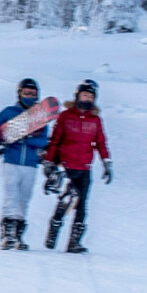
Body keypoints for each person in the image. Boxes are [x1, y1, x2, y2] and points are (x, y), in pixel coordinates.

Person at [43, 79, 112, 252]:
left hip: (85, 168)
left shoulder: (95, 120)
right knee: (67, 198)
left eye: (90, 96)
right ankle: (53, 231)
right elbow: (55, 140)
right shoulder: (66, 116)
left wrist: (106, 162)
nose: (87, 99)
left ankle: (74, 242)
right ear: (77, 96)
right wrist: (49, 161)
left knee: (82, 205)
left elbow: (101, 143)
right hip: (67, 165)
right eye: (84, 95)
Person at [0, 78, 49, 249]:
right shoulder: (10, 112)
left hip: (31, 164)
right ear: (19, 94)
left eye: (33, 94)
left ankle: (18, 237)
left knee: (24, 200)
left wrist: (28, 138)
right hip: (11, 161)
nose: (29, 96)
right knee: (11, 197)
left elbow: (43, 141)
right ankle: (7, 236)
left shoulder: (40, 117)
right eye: (26, 93)